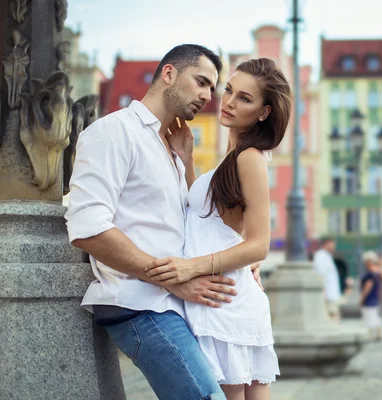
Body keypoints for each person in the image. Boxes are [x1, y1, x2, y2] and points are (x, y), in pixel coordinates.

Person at [66, 44, 232, 399]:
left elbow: (192, 223)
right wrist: (173, 280)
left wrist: (186, 161)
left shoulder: (171, 149)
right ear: (169, 73)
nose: (207, 95)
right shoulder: (114, 131)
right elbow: (87, 226)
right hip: (140, 305)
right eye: (201, 81)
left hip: (173, 306)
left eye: (211, 88)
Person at [145, 58, 291, 399]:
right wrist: (188, 160)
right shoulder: (234, 156)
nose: (228, 101)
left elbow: (259, 246)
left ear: (264, 112)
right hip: (223, 297)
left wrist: (188, 268)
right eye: (229, 90)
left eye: (245, 98)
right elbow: (210, 217)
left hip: (226, 299)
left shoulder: (250, 157)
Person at [313, 237, 342, 321]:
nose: (334, 246)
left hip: (331, 293)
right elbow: (320, 275)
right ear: (327, 243)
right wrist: (323, 292)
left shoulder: (327, 256)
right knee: (331, 317)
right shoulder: (320, 256)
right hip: (328, 294)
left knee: (334, 316)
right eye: (333, 244)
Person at [360, 251, 382, 340]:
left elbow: (368, 286)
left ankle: (372, 334)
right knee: (375, 315)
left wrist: (362, 298)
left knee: (370, 316)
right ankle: (377, 333)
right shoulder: (377, 271)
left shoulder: (370, 273)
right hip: (375, 296)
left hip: (370, 298)